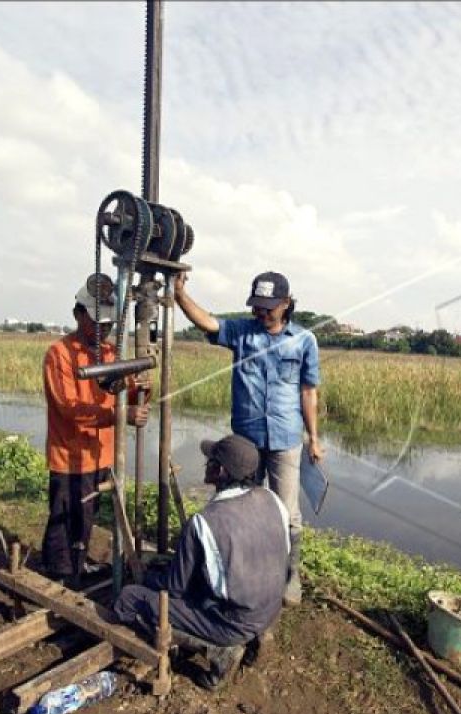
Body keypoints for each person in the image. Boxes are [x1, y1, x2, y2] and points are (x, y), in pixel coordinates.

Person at [175, 270, 321, 606]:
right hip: (247, 441)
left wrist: (314, 438)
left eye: (268, 307)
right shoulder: (241, 333)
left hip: (285, 437)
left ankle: (289, 573)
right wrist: (180, 294)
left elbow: (309, 392)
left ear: (285, 304)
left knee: (287, 510)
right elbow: (208, 322)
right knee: (240, 504)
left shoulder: (303, 340)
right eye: (257, 305)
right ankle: (244, 566)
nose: (261, 312)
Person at [112, 433, 290, 689]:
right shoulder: (272, 500)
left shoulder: (205, 522)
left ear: (220, 471)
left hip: (234, 622)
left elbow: (174, 589)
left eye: (210, 461)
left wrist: (145, 574)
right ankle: (255, 635)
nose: (206, 465)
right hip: (270, 609)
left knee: (129, 599)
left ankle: (218, 651)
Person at [40, 278, 149, 584]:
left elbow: (128, 395)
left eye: (108, 324)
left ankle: (78, 567)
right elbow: (70, 409)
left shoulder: (112, 354)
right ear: (78, 314)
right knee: (65, 519)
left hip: (102, 453)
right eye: (96, 322)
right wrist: (120, 414)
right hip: (70, 455)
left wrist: (142, 390)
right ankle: (58, 578)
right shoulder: (59, 354)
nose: (103, 329)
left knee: (87, 518)